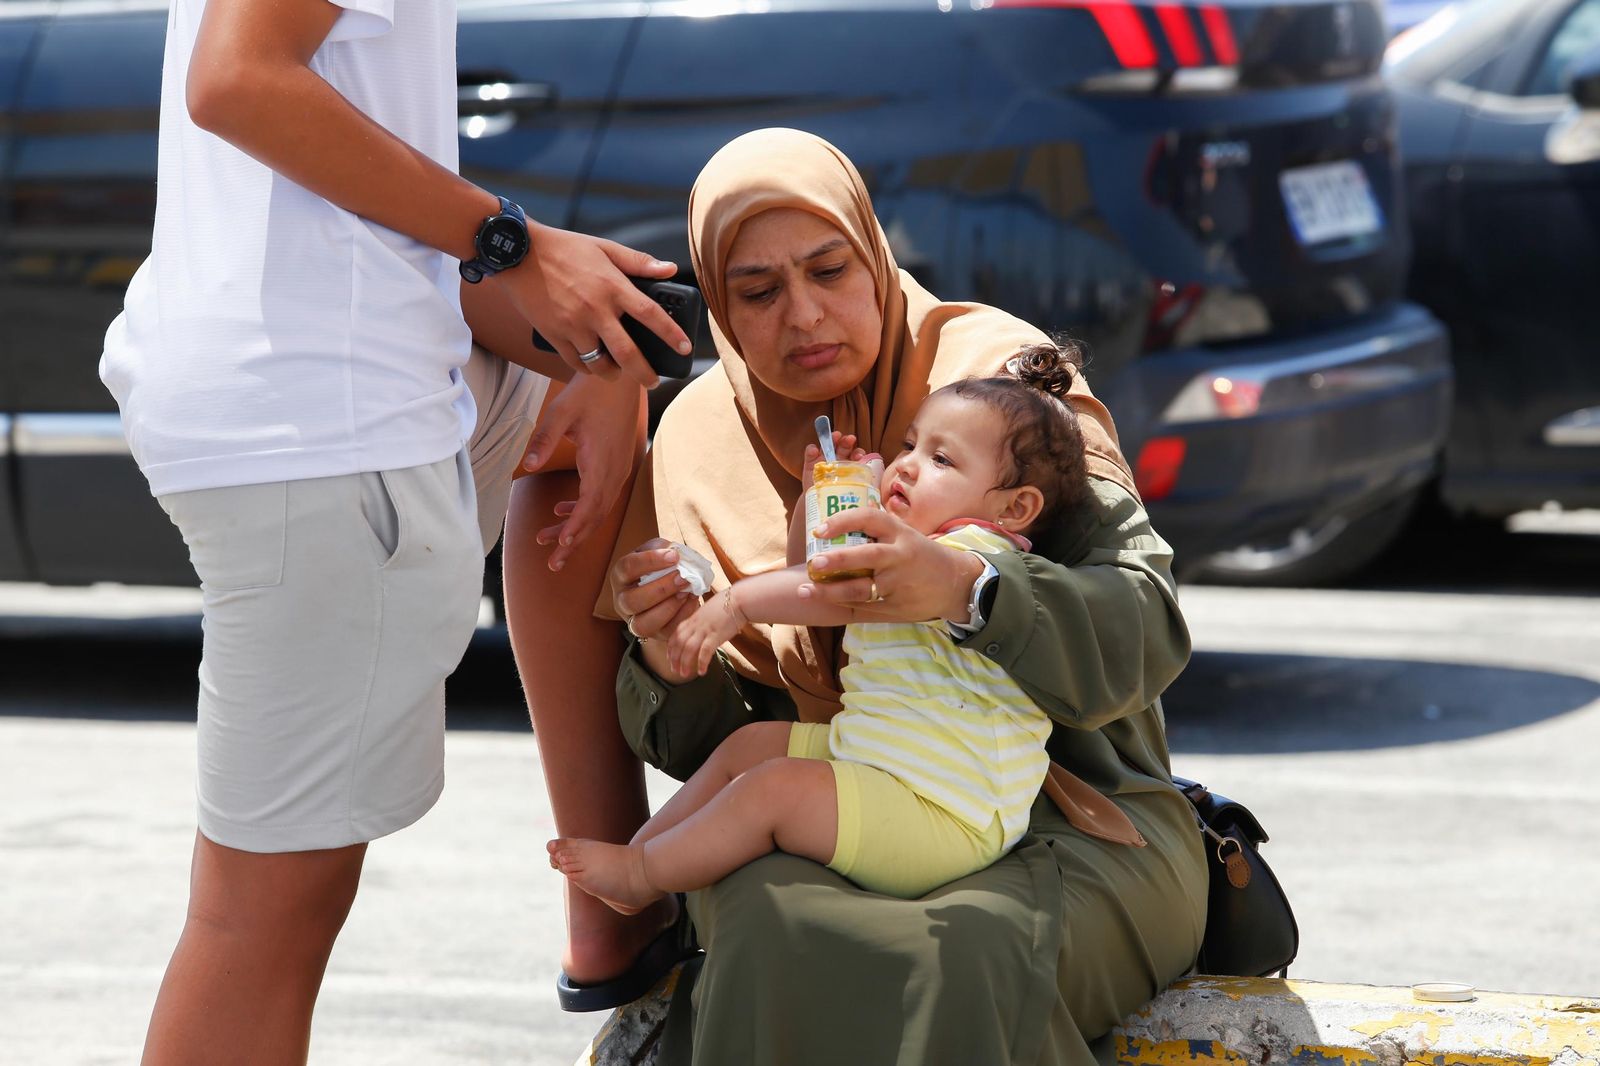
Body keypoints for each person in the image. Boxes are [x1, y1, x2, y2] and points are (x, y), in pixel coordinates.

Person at [98, 0, 689, 1061]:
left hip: (333, 390)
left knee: (262, 918)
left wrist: (596, 355)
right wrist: (509, 241)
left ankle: (613, 917)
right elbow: (236, 80)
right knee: (258, 926)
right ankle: (621, 913)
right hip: (320, 429)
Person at [595, 127, 1209, 1065]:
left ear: (876, 258)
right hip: (831, 800)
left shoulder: (1000, 389)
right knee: (764, 926)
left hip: (1068, 815)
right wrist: (669, 652)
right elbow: (708, 750)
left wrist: (970, 586)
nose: (804, 315)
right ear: (718, 306)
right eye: (758, 293)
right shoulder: (695, 439)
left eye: (830, 270)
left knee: (965, 951)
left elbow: (1146, 633)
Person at [550, 344, 1101, 908]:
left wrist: (736, 604)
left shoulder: (971, 557)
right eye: (911, 444)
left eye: (943, 461)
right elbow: (811, 573)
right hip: (882, 765)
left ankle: (644, 876)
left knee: (771, 791)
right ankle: (638, 858)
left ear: (1014, 509)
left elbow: (831, 594)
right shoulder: (916, 547)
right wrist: (814, 502)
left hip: (944, 817)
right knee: (754, 748)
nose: (907, 464)